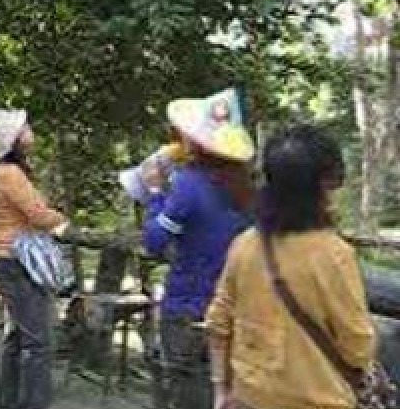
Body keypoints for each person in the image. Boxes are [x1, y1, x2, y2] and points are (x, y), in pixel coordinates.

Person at [206, 125, 375, 409]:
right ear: (324, 185)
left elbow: (218, 323)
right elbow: (357, 347)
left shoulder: (245, 245)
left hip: (249, 400)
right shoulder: (333, 255)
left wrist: (221, 390)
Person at [139, 89, 255, 409]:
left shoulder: (189, 184)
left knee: (187, 392)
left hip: (189, 308)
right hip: (233, 309)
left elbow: (154, 241)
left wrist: (154, 191)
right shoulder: (245, 188)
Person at [0, 108, 69, 409]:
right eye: (25, 127)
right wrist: (63, 220)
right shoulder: (10, 173)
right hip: (18, 263)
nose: (30, 130)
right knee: (38, 343)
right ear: (14, 138)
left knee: (19, 338)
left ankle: (9, 402)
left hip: (10, 261)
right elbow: (38, 214)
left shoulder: (5, 171)